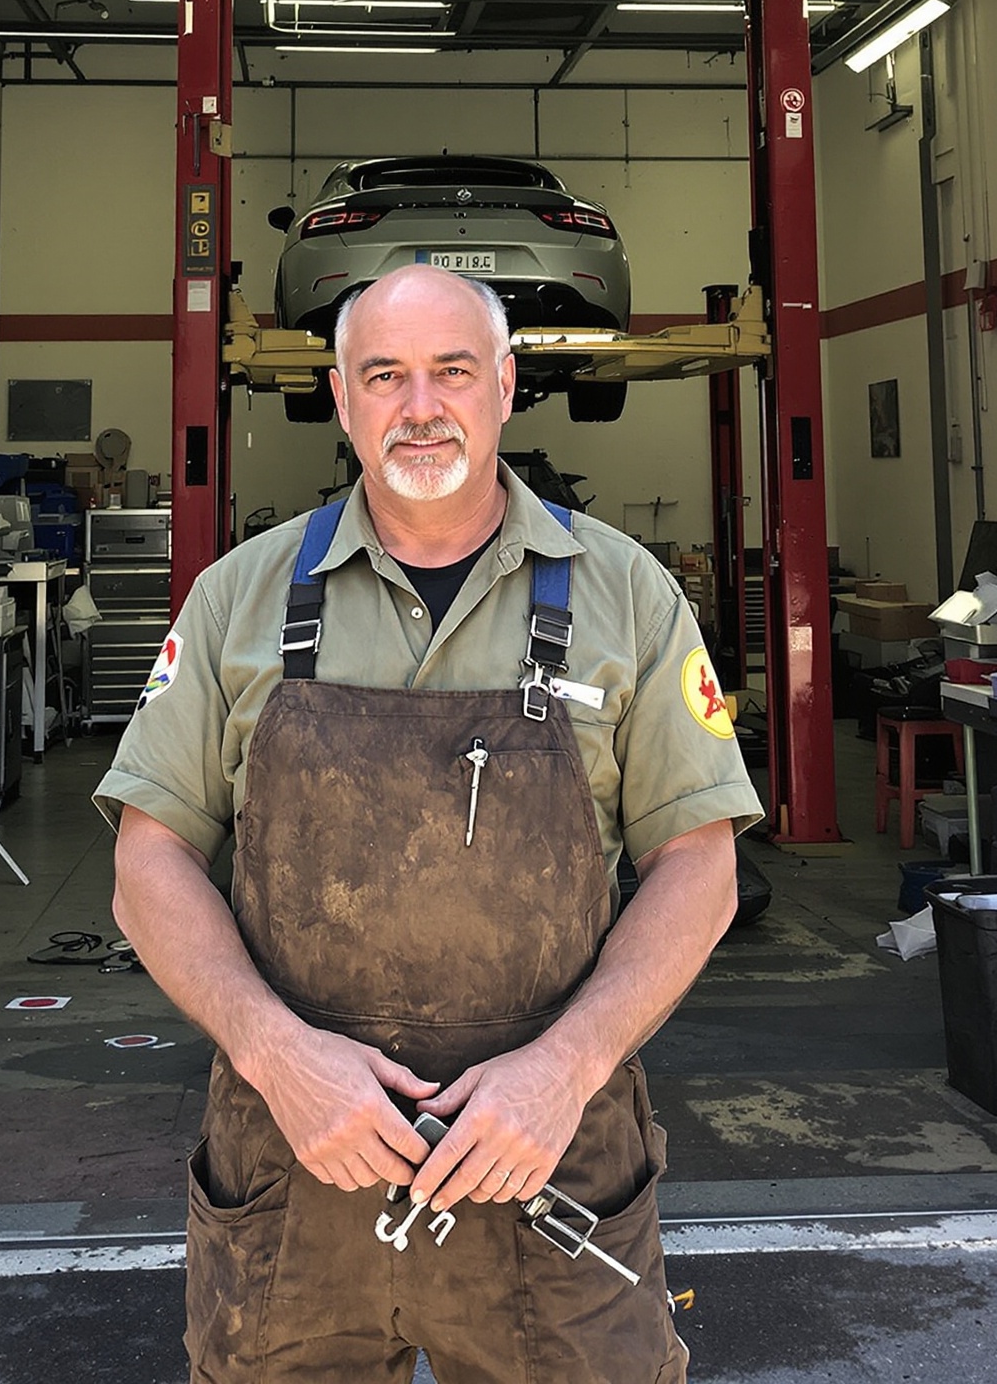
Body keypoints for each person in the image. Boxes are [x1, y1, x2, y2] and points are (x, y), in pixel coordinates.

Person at [98, 264, 762, 1383]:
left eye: (452, 370)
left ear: (504, 385)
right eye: (384, 376)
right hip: (294, 1175)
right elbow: (147, 857)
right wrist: (277, 1056)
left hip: (549, 1167)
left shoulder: (627, 594)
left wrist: (564, 1068)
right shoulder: (239, 598)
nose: (419, 405)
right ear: (342, 397)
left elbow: (700, 863)